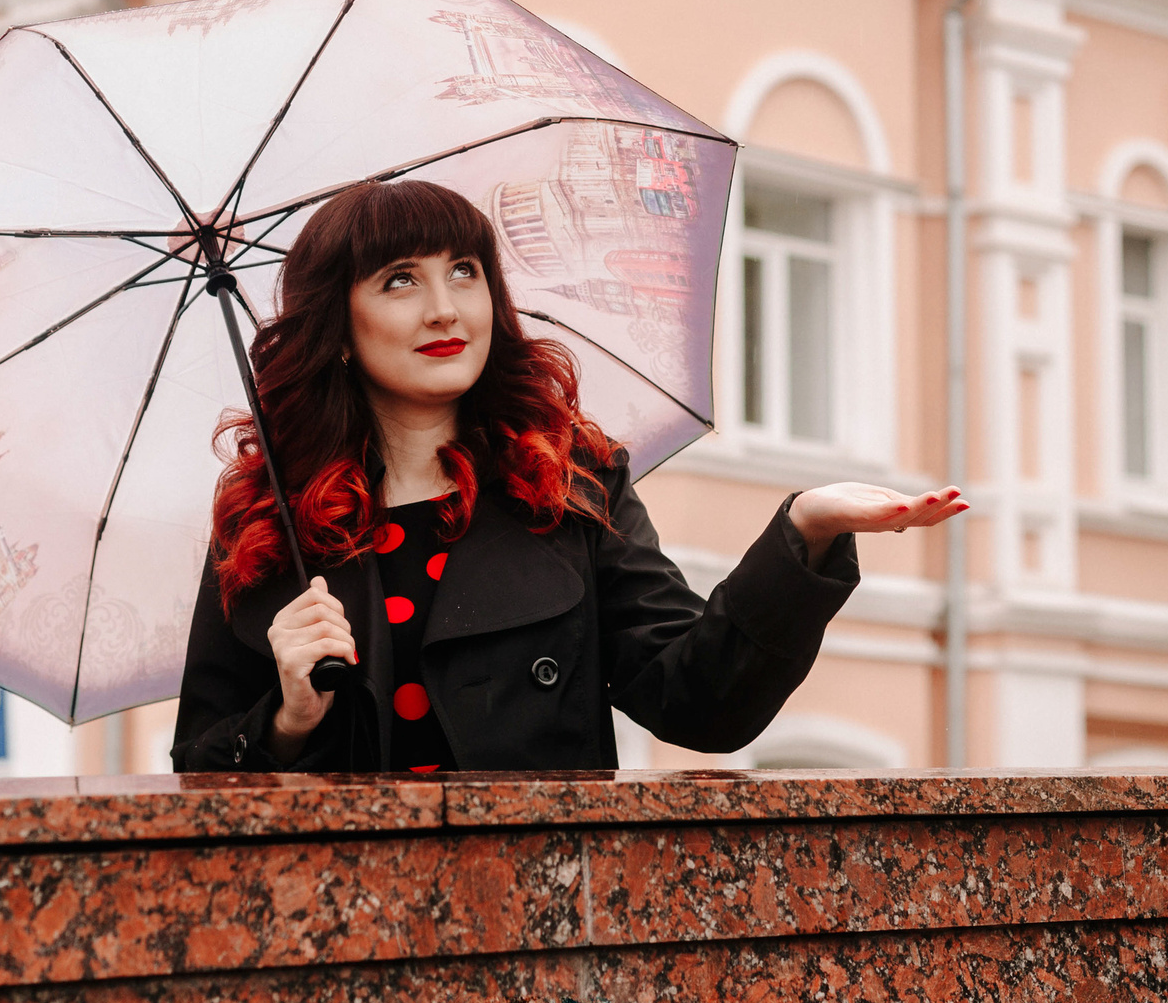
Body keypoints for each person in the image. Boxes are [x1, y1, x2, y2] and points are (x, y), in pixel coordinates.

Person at [170, 179, 966, 774]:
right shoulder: (268, 525)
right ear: (338, 329)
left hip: (537, 931)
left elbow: (700, 700)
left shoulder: (566, 485)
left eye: (466, 271)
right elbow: (199, 772)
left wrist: (804, 533)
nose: (446, 309)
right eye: (400, 280)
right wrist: (289, 718)